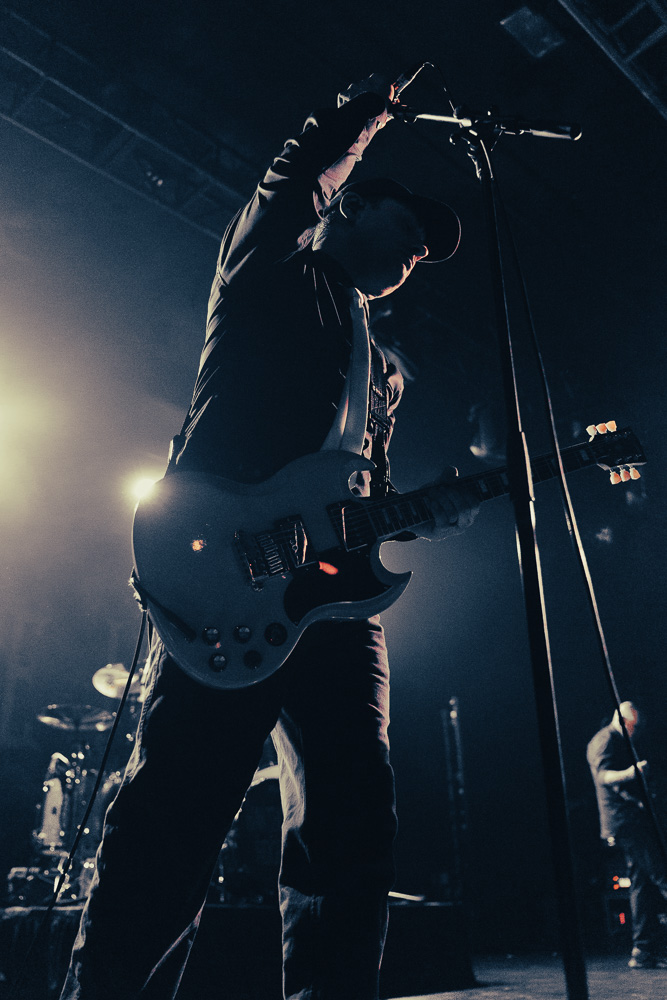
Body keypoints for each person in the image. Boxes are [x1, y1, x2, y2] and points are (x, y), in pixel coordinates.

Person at [60, 74, 479, 1000]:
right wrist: (372, 109)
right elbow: (293, 178)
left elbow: (351, 492)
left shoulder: (389, 373)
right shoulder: (272, 272)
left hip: (333, 607)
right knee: (175, 815)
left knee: (353, 821)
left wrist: (420, 510)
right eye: (404, 231)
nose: (415, 254)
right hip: (228, 582)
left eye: (423, 254)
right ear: (350, 209)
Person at [587, 700, 667, 969]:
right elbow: (603, 776)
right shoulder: (605, 740)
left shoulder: (615, 740)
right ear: (623, 721)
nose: (635, 732)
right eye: (633, 726)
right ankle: (643, 948)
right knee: (662, 873)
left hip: (630, 820)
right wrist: (632, 772)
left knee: (642, 884)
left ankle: (643, 950)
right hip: (625, 823)